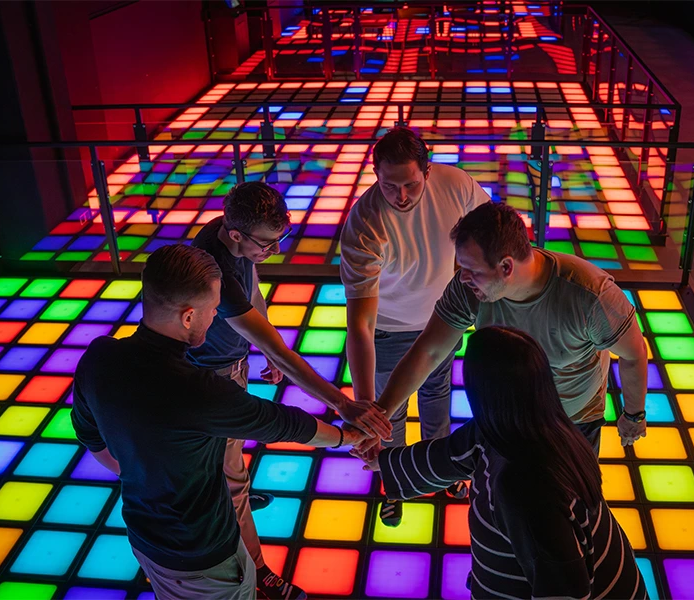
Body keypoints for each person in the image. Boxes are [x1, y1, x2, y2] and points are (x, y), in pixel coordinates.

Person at [72, 244, 366, 600]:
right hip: (204, 559)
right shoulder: (199, 391)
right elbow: (283, 423)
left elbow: (89, 433)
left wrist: (136, 470)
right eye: (213, 310)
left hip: (145, 538)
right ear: (188, 316)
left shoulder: (99, 357)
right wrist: (345, 437)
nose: (215, 318)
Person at [187, 181, 391, 598]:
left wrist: (261, 349)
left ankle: (233, 507)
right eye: (267, 243)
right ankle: (258, 572)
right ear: (236, 233)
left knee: (231, 465)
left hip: (233, 362)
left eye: (280, 239)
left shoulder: (230, 236)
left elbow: (255, 291)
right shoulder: (216, 270)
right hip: (212, 376)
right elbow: (277, 350)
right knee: (231, 477)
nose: (275, 250)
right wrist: (342, 404)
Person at [354, 326, 648, 600]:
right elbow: (449, 455)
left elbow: (563, 587)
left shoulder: (525, 488)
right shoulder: (529, 424)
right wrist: (381, 459)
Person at [362, 201, 648, 455]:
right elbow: (429, 351)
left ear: (506, 267)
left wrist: (633, 415)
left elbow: (633, 354)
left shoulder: (589, 295)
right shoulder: (469, 289)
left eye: (473, 270)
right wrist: (380, 416)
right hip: (504, 419)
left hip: (574, 423)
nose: (463, 278)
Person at [341, 127, 491, 526]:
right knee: (391, 412)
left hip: (443, 322)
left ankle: (438, 469)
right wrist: (365, 407)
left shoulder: (455, 184)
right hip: (390, 332)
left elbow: (492, 224)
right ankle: (395, 482)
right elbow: (360, 321)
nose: (401, 196)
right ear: (375, 175)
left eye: (410, 184)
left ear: (427, 170)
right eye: (389, 186)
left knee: (437, 394)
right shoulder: (364, 225)